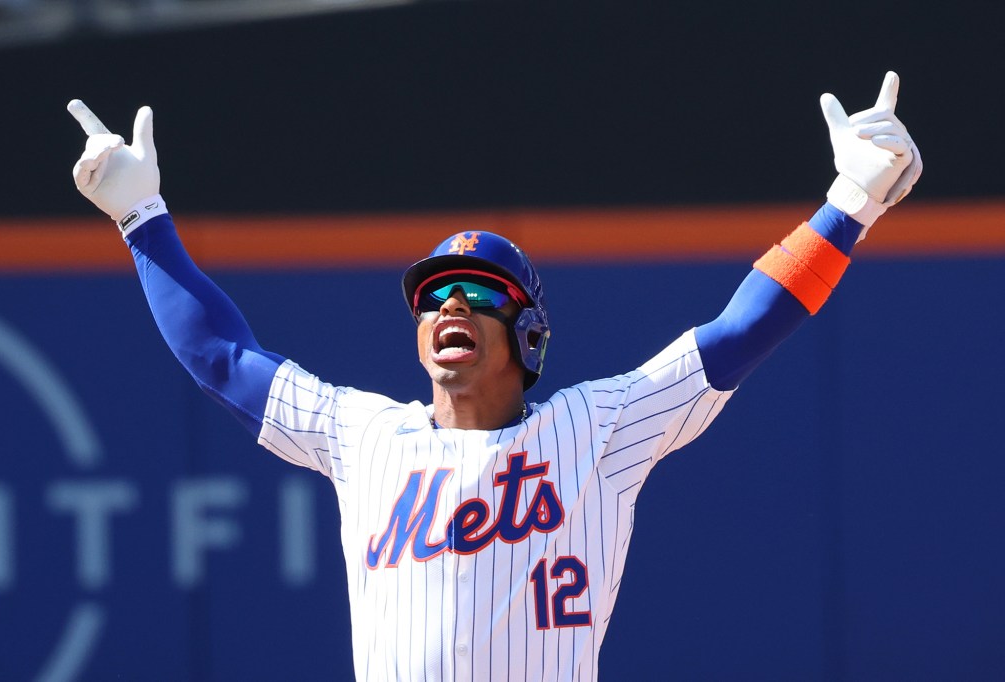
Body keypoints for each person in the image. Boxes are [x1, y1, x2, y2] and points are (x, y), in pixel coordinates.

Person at [67, 71, 921, 681]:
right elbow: (221, 357)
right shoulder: (363, 436)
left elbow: (741, 332)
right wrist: (142, 220)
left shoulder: (599, 427)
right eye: (433, 295)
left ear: (528, 331)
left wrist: (851, 203)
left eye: (478, 294)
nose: (450, 307)